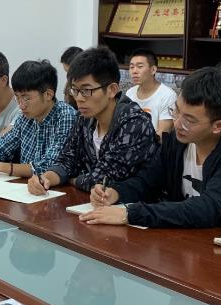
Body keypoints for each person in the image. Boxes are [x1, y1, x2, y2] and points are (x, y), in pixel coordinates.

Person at [81, 66, 221, 229]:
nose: (178, 123)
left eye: (189, 120)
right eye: (176, 111)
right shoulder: (179, 139)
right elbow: (149, 181)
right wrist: (116, 192)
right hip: (186, 240)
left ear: (218, 126)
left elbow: (207, 209)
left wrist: (130, 213)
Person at [29, 46, 157, 194]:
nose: (78, 98)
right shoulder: (84, 117)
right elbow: (67, 159)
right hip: (89, 200)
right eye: (75, 90)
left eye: (86, 90)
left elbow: (104, 178)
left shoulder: (135, 123)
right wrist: (46, 178)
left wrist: (73, 180)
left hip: (132, 204)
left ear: (112, 90)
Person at [0, 60, 77, 182]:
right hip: (26, 186)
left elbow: (49, 166)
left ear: (48, 94)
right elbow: (2, 145)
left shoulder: (66, 116)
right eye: (17, 97)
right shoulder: (25, 117)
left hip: (54, 189)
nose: (21, 105)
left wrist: (0, 167)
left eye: (26, 98)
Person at [125, 49, 176, 135]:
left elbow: (163, 133)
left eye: (140, 66)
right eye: (132, 67)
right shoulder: (129, 93)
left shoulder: (168, 95)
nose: (134, 71)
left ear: (153, 70)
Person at [60, 46, 84, 110]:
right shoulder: (69, 80)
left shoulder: (86, 85)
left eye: (70, 72)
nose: (68, 75)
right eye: (66, 71)